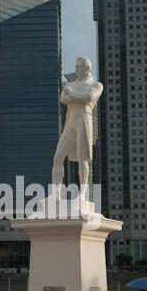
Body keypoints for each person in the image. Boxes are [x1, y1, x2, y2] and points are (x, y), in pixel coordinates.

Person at [52, 56, 103, 199]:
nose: (76, 70)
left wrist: (72, 94)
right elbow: (63, 99)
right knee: (58, 157)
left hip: (83, 119)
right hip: (71, 121)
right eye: (75, 67)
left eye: (79, 67)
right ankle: (55, 194)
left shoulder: (96, 85)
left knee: (83, 158)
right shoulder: (71, 84)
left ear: (87, 69)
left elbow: (89, 97)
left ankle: (82, 193)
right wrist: (75, 95)